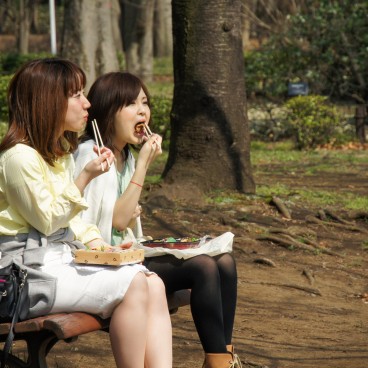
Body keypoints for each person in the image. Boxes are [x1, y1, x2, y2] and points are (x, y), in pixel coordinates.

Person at [0, 59, 172, 368]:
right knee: (134, 284)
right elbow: (48, 219)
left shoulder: (57, 155)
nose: (87, 103)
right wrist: (85, 178)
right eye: (76, 94)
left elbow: (74, 219)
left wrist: (98, 246)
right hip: (24, 275)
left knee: (154, 283)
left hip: (56, 260)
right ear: (49, 102)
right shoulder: (18, 158)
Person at [74, 71, 242, 368]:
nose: (143, 111)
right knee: (203, 267)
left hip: (128, 254)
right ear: (109, 111)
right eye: (131, 104)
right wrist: (143, 167)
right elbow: (115, 222)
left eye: (145, 102)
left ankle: (222, 358)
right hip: (103, 263)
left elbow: (122, 218)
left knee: (224, 261)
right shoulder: (94, 152)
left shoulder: (124, 155)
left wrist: (135, 177)